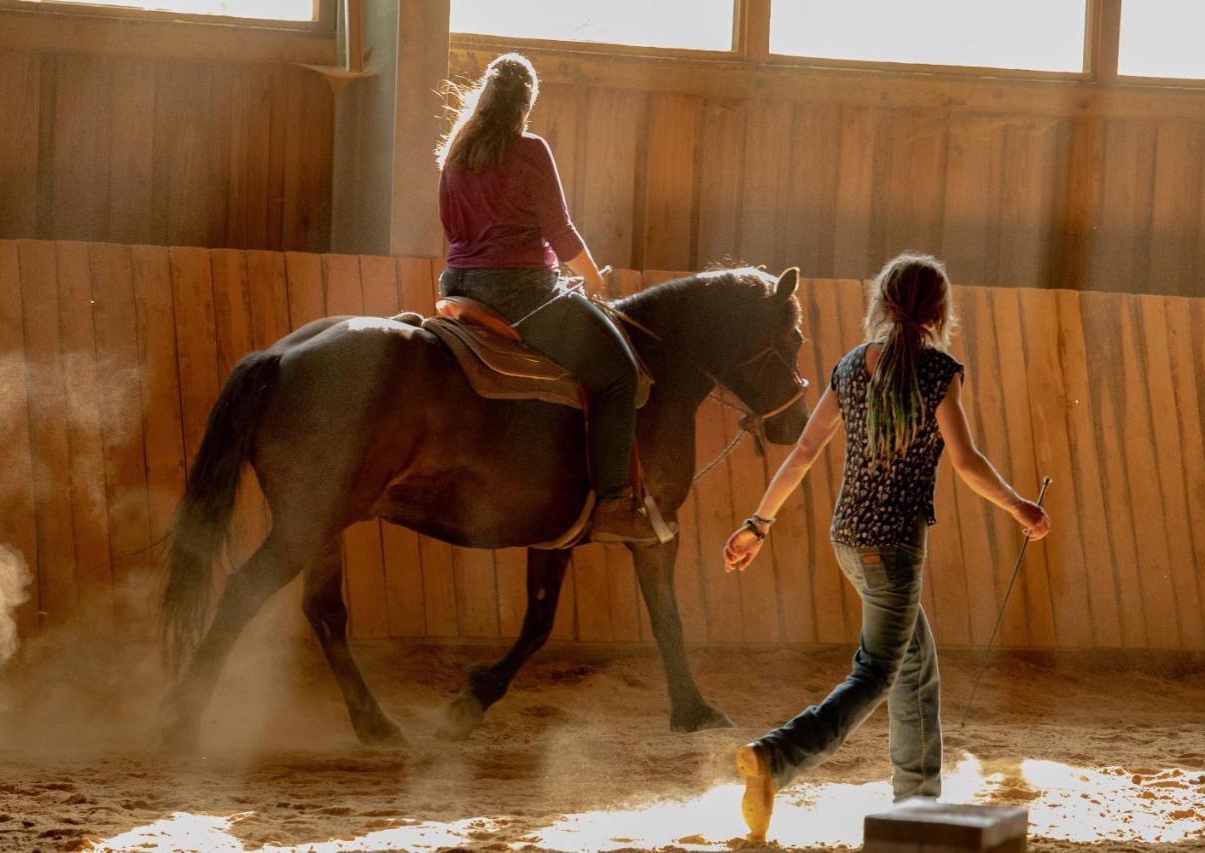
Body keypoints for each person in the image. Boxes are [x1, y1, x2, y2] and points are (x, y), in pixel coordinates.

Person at [722, 252, 1050, 841]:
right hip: (894, 547)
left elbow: (802, 453)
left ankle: (915, 802)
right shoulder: (939, 370)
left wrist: (758, 523)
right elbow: (968, 461)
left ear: (882, 301)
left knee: (914, 668)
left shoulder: (851, 366)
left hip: (848, 540)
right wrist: (1019, 506)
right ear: (940, 310)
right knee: (876, 672)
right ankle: (777, 757)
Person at [436, 53, 658, 544]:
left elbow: (451, 229)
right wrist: (594, 282)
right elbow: (559, 230)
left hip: (457, 286)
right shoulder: (530, 149)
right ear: (527, 104)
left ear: (485, 97)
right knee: (620, 375)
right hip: (522, 292)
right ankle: (613, 503)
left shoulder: (456, 152)